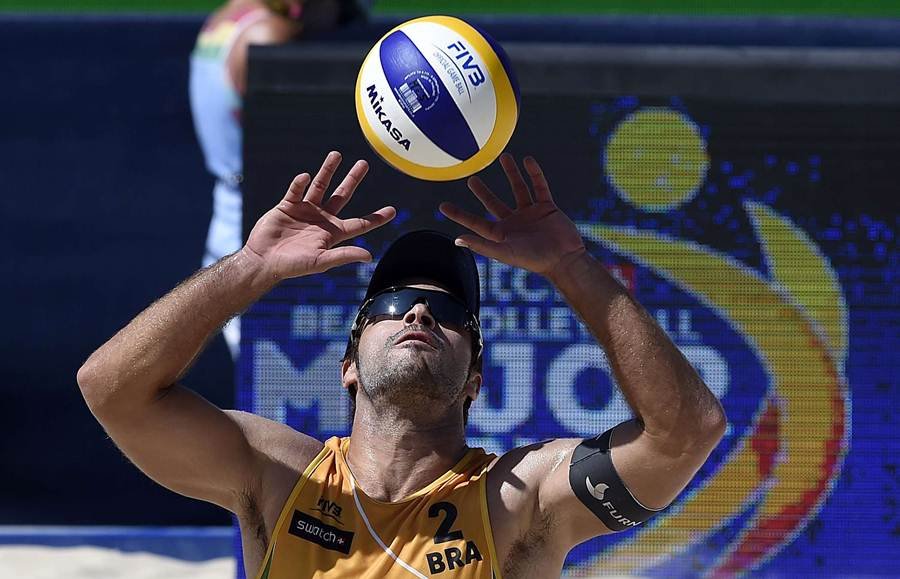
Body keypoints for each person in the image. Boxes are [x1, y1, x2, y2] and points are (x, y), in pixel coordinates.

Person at [77, 151, 727, 578]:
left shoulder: (517, 499)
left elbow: (687, 431)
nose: (418, 314)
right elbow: (110, 389)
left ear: (475, 379)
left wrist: (571, 267)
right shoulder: (277, 475)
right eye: (394, 303)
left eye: (448, 313)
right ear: (347, 366)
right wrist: (248, 269)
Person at [190, 0, 365, 358]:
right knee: (289, 400)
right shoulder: (270, 37)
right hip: (264, 235)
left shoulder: (229, 16)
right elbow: (296, 145)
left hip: (242, 225)